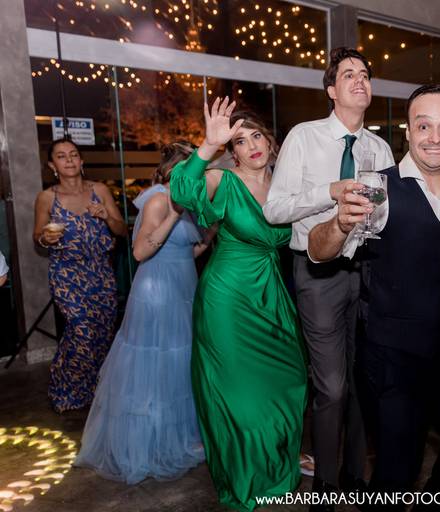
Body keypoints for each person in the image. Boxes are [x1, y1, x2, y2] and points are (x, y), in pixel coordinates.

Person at [308, 84, 440, 504]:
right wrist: (340, 224)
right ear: (408, 131)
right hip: (392, 359)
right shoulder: (379, 187)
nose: (435, 137)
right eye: (424, 126)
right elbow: (317, 248)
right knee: (396, 473)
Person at [263, 47, 394, 505]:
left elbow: (384, 216)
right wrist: (330, 192)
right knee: (332, 385)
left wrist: (380, 216)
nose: (360, 80)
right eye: (349, 74)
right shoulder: (305, 137)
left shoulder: (380, 148)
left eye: (365, 74)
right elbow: (275, 209)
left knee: (360, 381)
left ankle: (355, 476)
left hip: (368, 271)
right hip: (318, 273)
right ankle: (326, 483)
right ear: (331, 90)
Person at [170, 98, 307, 511]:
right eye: (241, 142)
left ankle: (276, 465)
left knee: (287, 381)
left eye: (257, 136)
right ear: (233, 152)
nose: (252, 147)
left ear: (271, 140)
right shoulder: (222, 180)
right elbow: (181, 189)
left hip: (272, 294)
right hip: (227, 299)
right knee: (236, 394)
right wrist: (208, 146)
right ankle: (245, 475)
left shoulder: (287, 185)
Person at [75, 141, 209, 484]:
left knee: (180, 364)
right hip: (157, 293)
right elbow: (139, 252)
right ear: (171, 172)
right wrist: (175, 213)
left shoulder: (188, 200)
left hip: (183, 287)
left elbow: (187, 252)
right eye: (190, 170)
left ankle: (178, 437)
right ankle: (148, 444)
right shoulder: (159, 201)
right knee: (155, 365)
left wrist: (209, 233)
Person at [33, 138, 126, 413]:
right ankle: (65, 388)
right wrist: (47, 238)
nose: (69, 160)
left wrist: (106, 216)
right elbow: (38, 236)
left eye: (73, 154)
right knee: (82, 330)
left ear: (81, 161)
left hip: (101, 272)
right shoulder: (47, 197)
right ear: (52, 165)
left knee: (102, 333)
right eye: (61, 156)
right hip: (67, 274)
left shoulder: (100, 190)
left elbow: (121, 230)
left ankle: (97, 388)